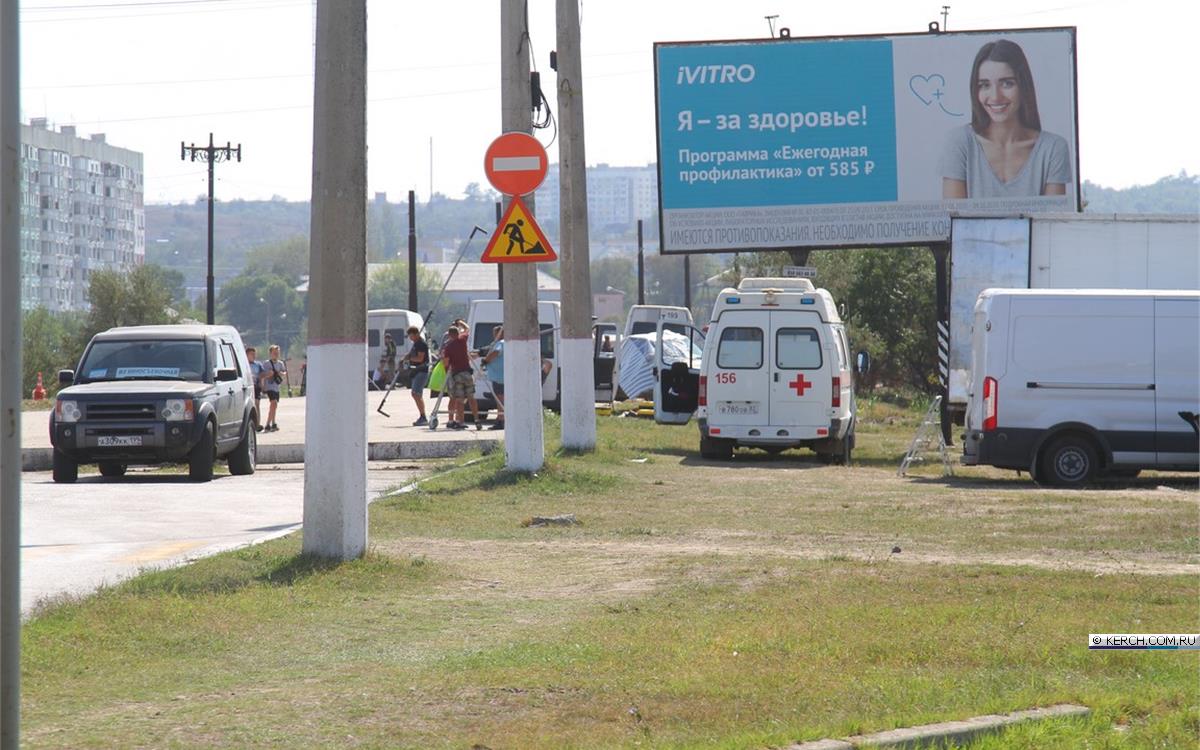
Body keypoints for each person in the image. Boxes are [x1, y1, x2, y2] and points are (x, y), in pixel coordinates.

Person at [941, 39, 1071, 199]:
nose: (995, 97)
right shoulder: (959, 142)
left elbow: (1052, 222)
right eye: (984, 85)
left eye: (1007, 84)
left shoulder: (1053, 148)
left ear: (1024, 86)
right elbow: (952, 218)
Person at [440, 326, 480, 430]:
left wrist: (447, 372)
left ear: (449, 335)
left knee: (460, 399)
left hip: (457, 374)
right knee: (471, 398)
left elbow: (446, 362)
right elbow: (467, 330)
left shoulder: (448, 348)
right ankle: (477, 419)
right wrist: (461, 323)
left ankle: (461, 422)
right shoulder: (462, 340)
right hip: (467, 373)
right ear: (458, 333)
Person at [405, 326, 430, 426]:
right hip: (416, 371)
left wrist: (409, 358)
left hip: (421, 371)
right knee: (416, 394)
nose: (410, 338)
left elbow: (420, 359)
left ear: (415, 334)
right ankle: (422, 416)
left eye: (411, 336)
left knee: (416, 393)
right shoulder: (416, 344)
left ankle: (423, 417)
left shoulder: (420, 344)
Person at [481, 325, 505, 430]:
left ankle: (501, 420)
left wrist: (486, 360)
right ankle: (500, 418)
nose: (494, 335)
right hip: (502, 375)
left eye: (495, 333)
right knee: (502, 399)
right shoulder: (506, 343)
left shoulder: (500, 344)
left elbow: (495, 352)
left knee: (500, 399)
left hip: (499, 376)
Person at [260, 344, 286, 432]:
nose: (276, 355)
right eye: (274, 353)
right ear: (270, 353)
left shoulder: (280, 363)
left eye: (277, 353)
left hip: (276, 387)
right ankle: (267, 424)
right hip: (269, 387)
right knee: (273, 403)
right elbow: (262, 375)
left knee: (274, 406)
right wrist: (268, 375)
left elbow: (284, 372)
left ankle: (273, 423)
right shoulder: (266, 364)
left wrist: (281, 373)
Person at [246, 346, 265, 432]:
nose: (253, 356)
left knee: (257, 404)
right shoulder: (244, 365)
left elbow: (262, 375)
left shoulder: (258, 365)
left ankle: (257, 424)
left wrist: (262, 384)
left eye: (254, 354)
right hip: (247, 386)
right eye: (251, 354)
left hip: (256, 387)